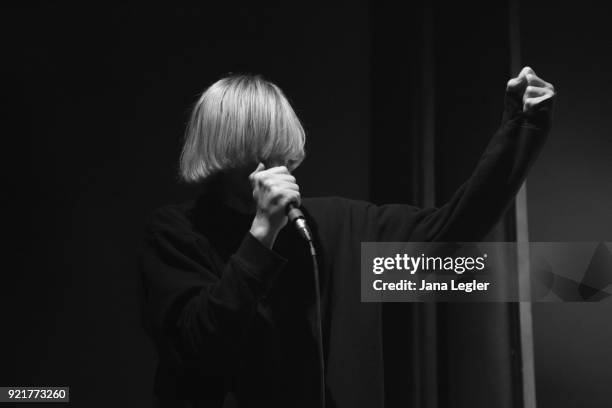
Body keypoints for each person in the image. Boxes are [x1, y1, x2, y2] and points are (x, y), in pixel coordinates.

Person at [140, 68, 555, 408]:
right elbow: (198, 350)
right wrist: (260, 234)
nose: (280, 161)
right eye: (263, 146)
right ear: (228, 150)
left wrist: (522, 126)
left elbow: (452, 230)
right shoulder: (179, 233)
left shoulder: (334, 224)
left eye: (283, 147)